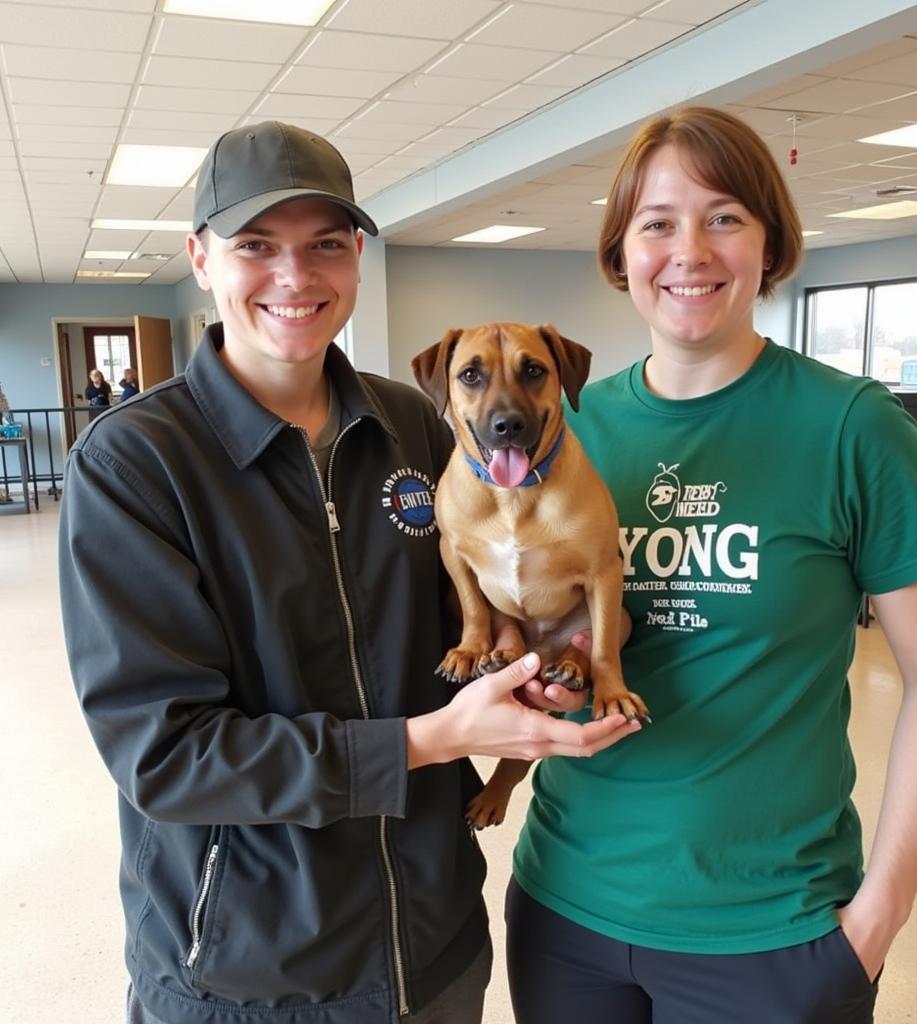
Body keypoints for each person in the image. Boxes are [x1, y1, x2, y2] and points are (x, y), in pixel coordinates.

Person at [58, 120, 639, 1024]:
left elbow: (471, 610)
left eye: (325, 244)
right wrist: (426, 743)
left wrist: (530, 669)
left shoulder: (413, 425)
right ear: (200, 258)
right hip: (253, 975)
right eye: (257, 246)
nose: (296, 277)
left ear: (357, 257)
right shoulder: (136, 464)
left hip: (436, 943)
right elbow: (166, 757)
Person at [505, 106, 917, 1024]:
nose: (689, 250)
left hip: (776, 932)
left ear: (770, 243)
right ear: (621, 252)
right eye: (657, 222)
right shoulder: (567, 428)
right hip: (565, 910)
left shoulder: (853, 428)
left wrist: (879, 914)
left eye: (724, 216)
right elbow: (526, 629)